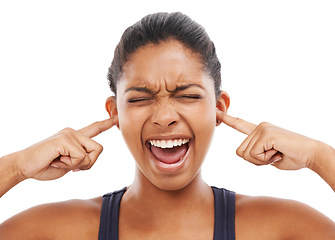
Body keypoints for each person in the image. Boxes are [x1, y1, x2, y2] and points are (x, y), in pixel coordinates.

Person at [0, 12, 334, 240]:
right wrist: (16, 167)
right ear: (114, 113)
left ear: (218, 108)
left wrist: (319, 157)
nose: (164, 116)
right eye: (139, 98)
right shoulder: (60, 230)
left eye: (187, 95)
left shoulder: (279, 228)